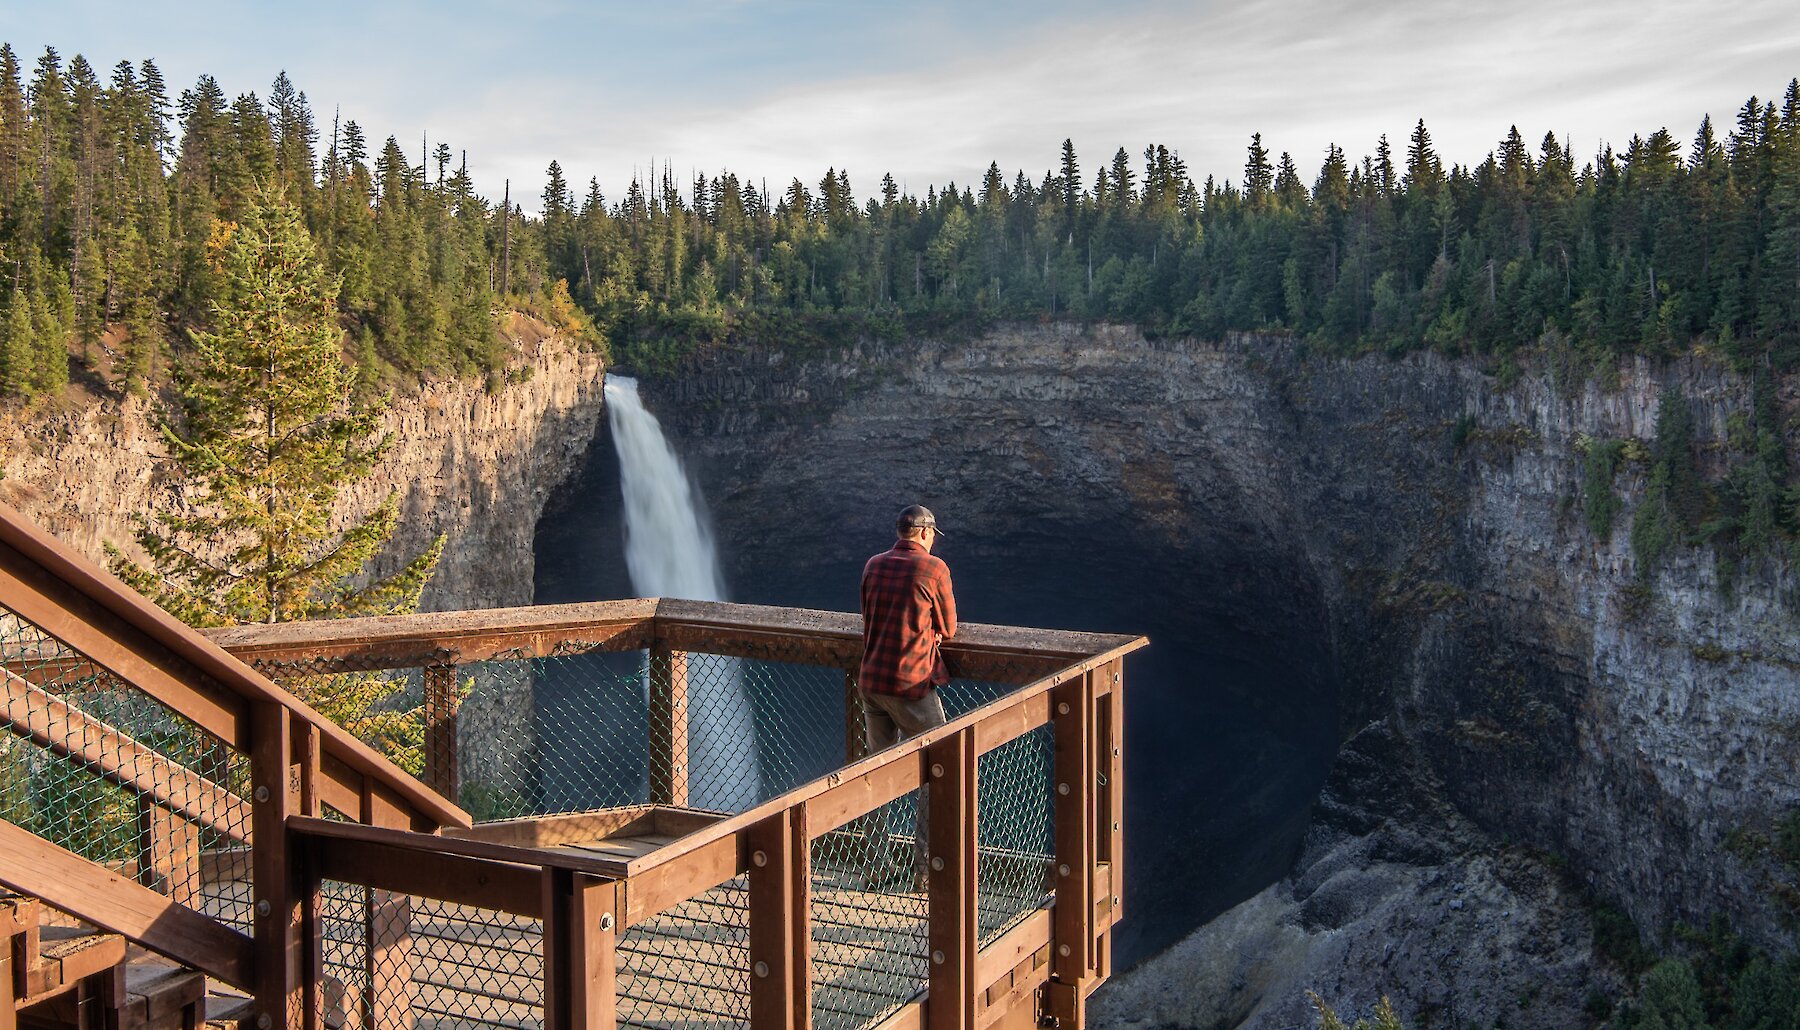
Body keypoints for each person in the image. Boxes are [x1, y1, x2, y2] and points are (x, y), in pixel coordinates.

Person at [856, 504, 958, 890]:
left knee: (874, 774)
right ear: (927, 533)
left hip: (871, 683)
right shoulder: (934, 569)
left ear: (900, 532)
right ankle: (925, 872)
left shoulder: (872, 565)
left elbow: (869, 616)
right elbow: (948, 627)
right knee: (940, 766)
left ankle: (876, 866)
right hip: (911, 685)